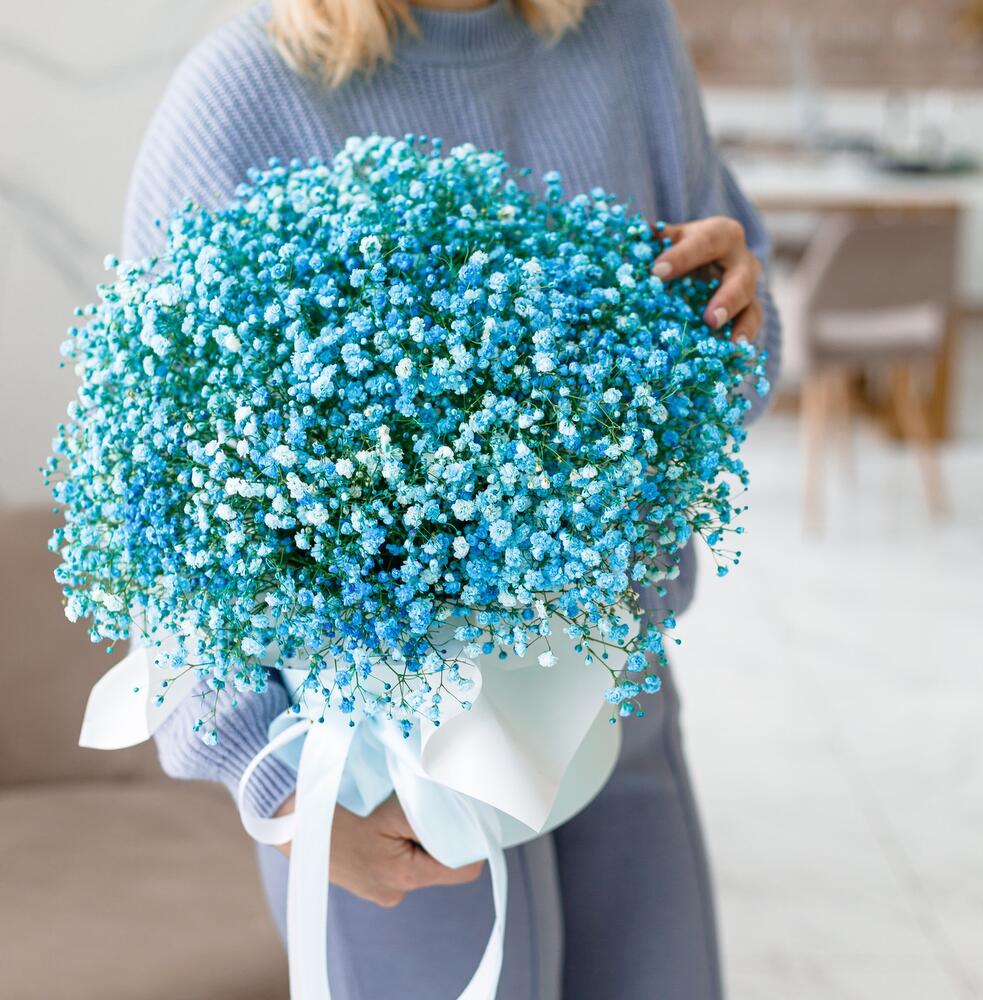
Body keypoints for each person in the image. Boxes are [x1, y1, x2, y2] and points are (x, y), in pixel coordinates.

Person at [122, 1, 781, 996]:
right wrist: (280, 786)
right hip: (382, 771)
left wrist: (731, 324)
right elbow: (156, 500)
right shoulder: (245, 93)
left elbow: (735, 376)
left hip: (615, 708)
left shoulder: (628, 37)